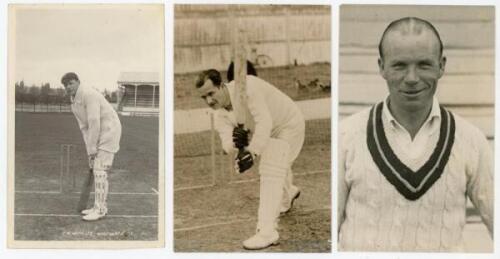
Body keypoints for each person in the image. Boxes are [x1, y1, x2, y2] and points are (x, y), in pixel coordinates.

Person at [338, 17, 493, 252]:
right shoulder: (347, 136)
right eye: (399, 65)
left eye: (424, 64)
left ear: (442, 65)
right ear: (382, 66)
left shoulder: (470, 139)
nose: (411, 78)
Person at [195, 69, 304, 250]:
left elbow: (265, 122)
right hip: (270, 132)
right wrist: (237, 143)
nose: (209, 101)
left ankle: (267, 232)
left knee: (272, 167)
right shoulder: (220, 113)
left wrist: (252, 152)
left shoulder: (247, 88)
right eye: (203, 97)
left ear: (221, 86)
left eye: (211, 94)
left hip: (288, 124)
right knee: (279, 166)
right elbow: (226, 144)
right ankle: (288, 193)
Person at [61, 72, 122, 221]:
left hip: (109, 130)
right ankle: (97, 206)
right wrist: (90, 150)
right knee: (98, 170)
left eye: (71, 83)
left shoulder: (89, 94)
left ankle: (100, 209)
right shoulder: (74, 103)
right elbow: (84, 127)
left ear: (78, 82)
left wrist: (94, 148)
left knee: (100, 170)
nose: (68, 87)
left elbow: (94, 121)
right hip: (98, 132)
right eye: (65, 85)